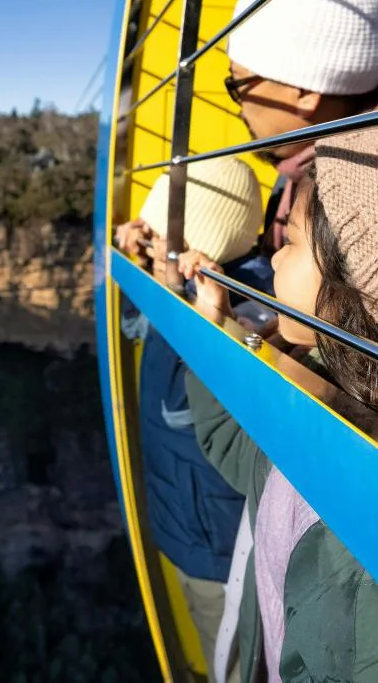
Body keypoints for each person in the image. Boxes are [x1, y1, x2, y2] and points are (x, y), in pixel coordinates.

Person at [179, 114, 378, 682]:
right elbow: (241, 450)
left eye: (295, 242)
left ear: (370, 294)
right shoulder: (328, 386)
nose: (274, 255)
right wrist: (213, 325)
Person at [116, 157, 273, 683]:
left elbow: (213, 405)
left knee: (229, 663)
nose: (152, 241)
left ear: (201, 244)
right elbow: (142, 330)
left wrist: (210, 316)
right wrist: (142, 269)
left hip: (219, 552)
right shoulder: (184, 293)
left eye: (161, 234)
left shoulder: (244, 312)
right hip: (187, 526)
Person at [224, 0, 378, 252]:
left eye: (238, 81)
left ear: (306, 91)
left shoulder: (373, 212)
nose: (238, 103)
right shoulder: (309, 161)